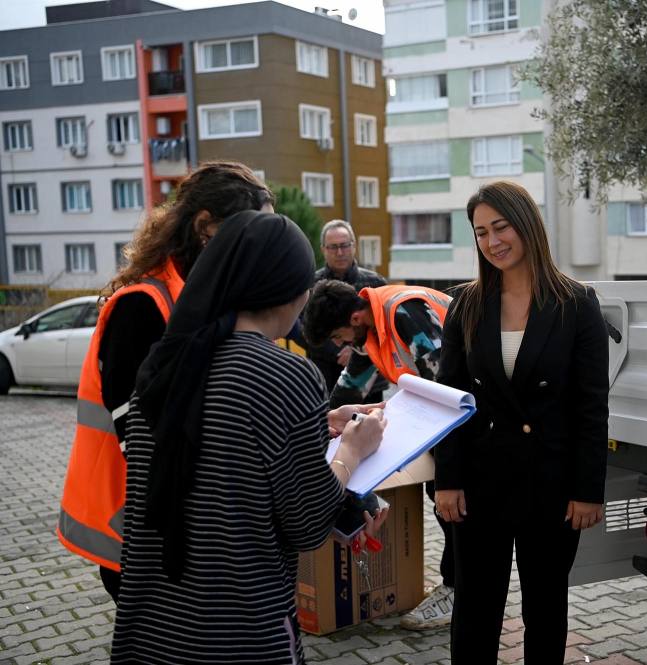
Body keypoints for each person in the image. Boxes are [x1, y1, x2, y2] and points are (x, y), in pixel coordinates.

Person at [111, 211, 388, 663]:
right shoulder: (286, 374)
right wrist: (353, 451)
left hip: (152, 628)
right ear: (291, 290)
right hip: (239, 632)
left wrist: (315, 423)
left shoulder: (164, 364)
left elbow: (217, 446)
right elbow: (308, 523)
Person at [56, 161, 274, 604]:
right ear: (205, 227)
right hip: (138, 528)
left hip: (174, 522)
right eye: (252, 233)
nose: (262, 249)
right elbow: (144, 442)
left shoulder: (202, 299)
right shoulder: (141, 306)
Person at [434, 181, 609, 664]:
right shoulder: (466, 305)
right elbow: (450, 400)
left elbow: (591, 407)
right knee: (475, 609)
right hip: (478, 484)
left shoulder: (577, 304)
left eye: (501, 227)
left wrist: (588, 490)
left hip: (550, 484)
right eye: (481, 233)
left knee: (546, 608)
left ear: (527, 224)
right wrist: (446, 480)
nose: (492, 242)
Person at [302, 279, 458, 630]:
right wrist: (322, 440)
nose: (341, 345)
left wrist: (448, 470)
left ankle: (458, 590)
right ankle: (458, 584)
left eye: (339, 337)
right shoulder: (372, 329)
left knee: (451, 498)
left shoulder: (403, 312)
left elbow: (445, 386)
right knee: (441, 495)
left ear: (355, 319)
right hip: (448, 417)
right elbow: (348, 391)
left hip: (473, 415)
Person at [310, 219, 388, 404]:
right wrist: (337, 351)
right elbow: (304, 328)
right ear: (323, 249)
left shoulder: (375, 283)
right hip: (325, 372)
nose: (339, 252)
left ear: (354, 246)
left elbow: (385, 327)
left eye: (344, 245)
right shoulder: (311, 284)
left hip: (370, 378)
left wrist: (357, 351)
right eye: (333, 247)